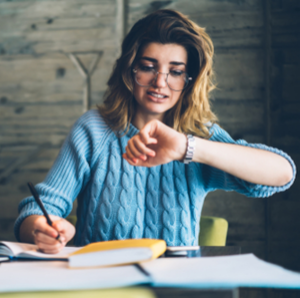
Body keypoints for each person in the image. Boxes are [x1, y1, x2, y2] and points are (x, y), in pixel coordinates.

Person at [16, 9, 295, 254]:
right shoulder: (94, 130)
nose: (159, 83)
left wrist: (188, 147)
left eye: (175, 72)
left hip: (176, 289)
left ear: (189, 80)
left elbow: (282, 174)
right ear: (129, 69)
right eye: (148, 67)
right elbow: (38, 211)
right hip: (103, 286)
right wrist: (43, 228)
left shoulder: (198, 134)